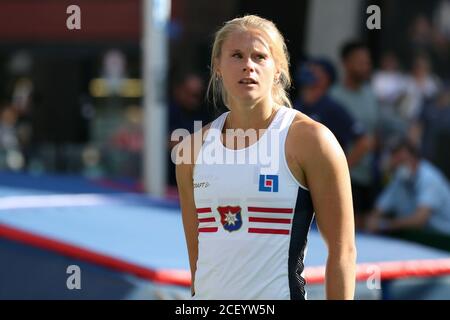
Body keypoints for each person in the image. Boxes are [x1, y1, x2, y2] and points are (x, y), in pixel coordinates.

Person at [175, 15, 356, 300]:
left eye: (260, 56)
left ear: (279, 69)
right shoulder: (191, 150)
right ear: (218, 67)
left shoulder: (311, 141)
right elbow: (197, 264)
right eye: (236, 55)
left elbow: (343, 252)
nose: (248, 65)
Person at [365, 138, 450, 251]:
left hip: (443, 243)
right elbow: (378, 210)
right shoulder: (399, 179)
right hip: (416, 241)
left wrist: (384, 225)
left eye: (402, 160)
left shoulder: (430, 178)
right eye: (396, 160)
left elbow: (419, 220)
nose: (398, 164)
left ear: (415, 159)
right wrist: (373, 221)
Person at [330, 41, 380, 226]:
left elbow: (374, 132)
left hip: (368, 177)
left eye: (367, 62)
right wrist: (341, 170)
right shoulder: (334, 97)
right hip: (344, 178)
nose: (366, 66)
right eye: (360, 61)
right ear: (346, 63)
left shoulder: (370, 95)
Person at [294, 58, 371, 168]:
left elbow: (363, 142)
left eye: (316, 69)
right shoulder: (298, 104)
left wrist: (340, 171)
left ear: (326, 78)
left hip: (319, 176)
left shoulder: (331, 108)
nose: (310, 71)